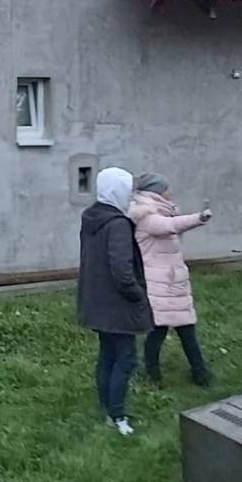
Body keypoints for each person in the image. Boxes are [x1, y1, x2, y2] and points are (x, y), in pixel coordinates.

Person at [77, 167, 153, 436]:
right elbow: (122, 269)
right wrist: (137, 294)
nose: (130, 196)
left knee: (107, 354)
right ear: (117, 191)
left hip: (96, 300)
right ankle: (117, 414)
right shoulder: (118, 224)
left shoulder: (92, 218)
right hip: (117, 303)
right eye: (127, 190)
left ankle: (106, 406)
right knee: (126, 358)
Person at [128, 172, 213, 386]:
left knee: (187, 330)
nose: (169, 192)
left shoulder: (162, 212)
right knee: (158, 332)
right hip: (159, 284)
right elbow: (169, 226)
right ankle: (152, 374)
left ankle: (200, 373)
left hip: (173, 282)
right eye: (166, 189)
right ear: (156, 191)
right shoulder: (146, 216)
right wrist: (199, 218)